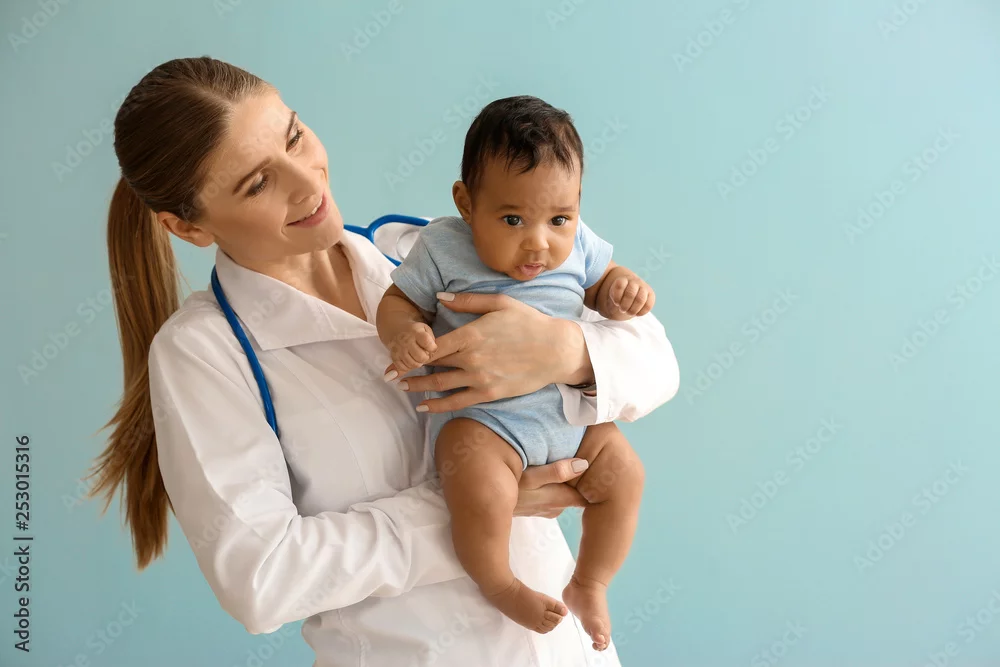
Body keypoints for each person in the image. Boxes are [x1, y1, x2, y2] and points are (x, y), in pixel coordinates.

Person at [86, 56, 680, 667]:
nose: (307, 182)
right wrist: (471, 506)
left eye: (294, 136)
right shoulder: (203, 353)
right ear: (186, 227)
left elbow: (657, 361)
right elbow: (262, 579)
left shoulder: (438, 246)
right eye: (258, 183)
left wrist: (564, 351)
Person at [377, 95, 654, 651]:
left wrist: (621, 291)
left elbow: (601, 285)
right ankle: (499, 582)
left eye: (559, 219)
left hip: (570, 415)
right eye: (512, 220)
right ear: (466, 203)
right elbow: (397, 302)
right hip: (486, 425)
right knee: (478, 490)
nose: (539, 242)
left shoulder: (578, 244)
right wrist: (404, 333)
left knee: (625, 475)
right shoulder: (441, 246)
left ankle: (590, 582)